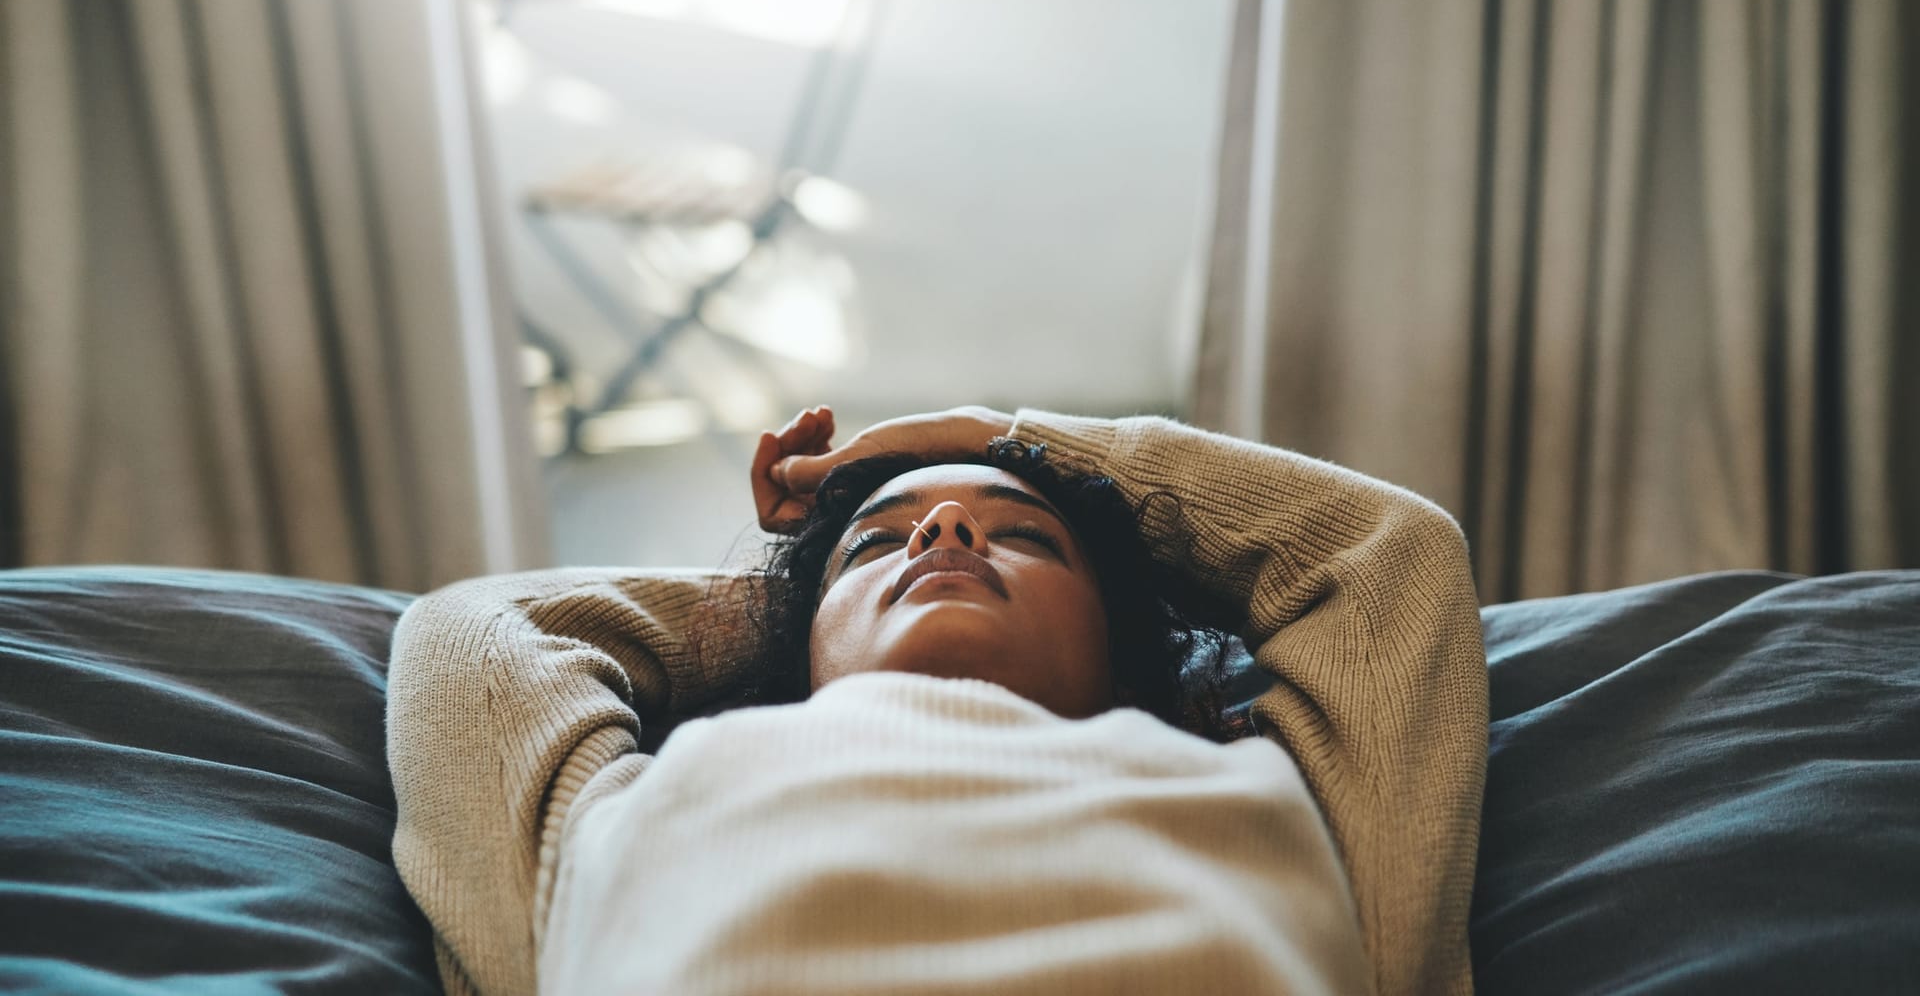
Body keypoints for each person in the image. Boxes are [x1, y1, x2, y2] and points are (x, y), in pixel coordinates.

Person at [387, 406, 1488, 996]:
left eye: (1021, 532)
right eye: (887, 541)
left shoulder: (1258, 775)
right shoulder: (649, 795)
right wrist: (785, 601)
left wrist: (988, 432)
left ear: (1119, 653)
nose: (946, 529)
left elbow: (1393, 553)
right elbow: (478, 629)